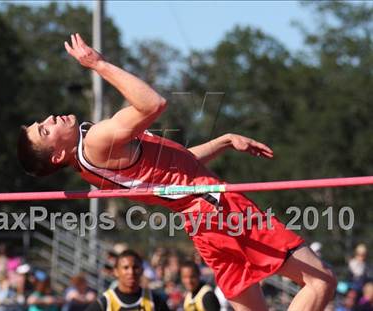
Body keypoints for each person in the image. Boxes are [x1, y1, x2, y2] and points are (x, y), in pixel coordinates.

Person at [18, 33, 337, 311]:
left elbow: (179, 167)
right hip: (221, 209)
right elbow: (153, 104)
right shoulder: (98, 142)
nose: (49, 120)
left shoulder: (92, 165)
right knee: (320, 281)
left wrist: (223, 141)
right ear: (59, 154)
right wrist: (98, 64)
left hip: (202, 223)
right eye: (44, 131)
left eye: (42, 123)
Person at [85, 249, 170, 311]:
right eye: (125, 268)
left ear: (142, 270)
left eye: (135, 267)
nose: (131, 272)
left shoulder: (155, 301)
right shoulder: (105, 303)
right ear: (116, 271)